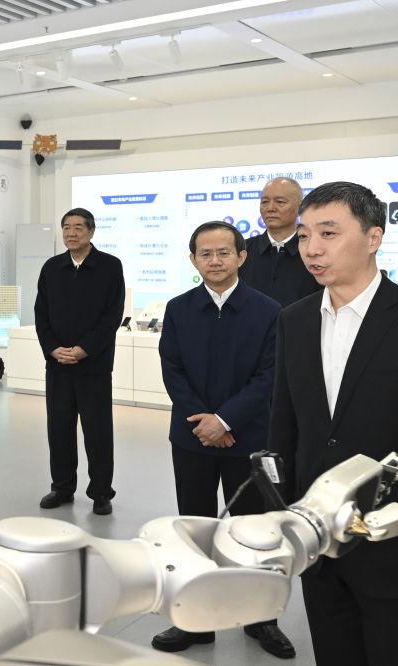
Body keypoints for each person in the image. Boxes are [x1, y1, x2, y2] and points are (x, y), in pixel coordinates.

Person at [269, 181, 397, 666]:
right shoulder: (294, 319)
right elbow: (285, 424)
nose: (312, 249)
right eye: (304, 236)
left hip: (388, 535)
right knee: (333, 647)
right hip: (317, 533)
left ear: (373, 237)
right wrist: (286, 511)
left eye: (328, 233)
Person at [152, 221, 293, 657]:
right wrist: (205, 422)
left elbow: (269, 375)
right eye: (205, 253)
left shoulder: (269, 310)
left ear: (241, 256)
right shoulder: (179, 308)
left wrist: (226, 420)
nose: (214, 261)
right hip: (191, 437)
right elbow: (172, 369)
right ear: (193, 259)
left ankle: (260, 619)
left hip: (248, 439)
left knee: (254, 533)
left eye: (223, 252)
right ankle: (196, 621)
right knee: (194, 530)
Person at [34, 207, 124, 516]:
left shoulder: (110, 266)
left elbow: (112, 316)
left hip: (94, 365)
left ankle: (101, 492)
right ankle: (62, 488)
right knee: (59, 429)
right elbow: (41, 314)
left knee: (98, 432)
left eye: (78, 227)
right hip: (58, 365)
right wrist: (52, 348)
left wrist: (85, 349)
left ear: (91, 231)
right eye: (66, 228)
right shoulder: (52, 267)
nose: (71, 233)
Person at [240, 178, 320, 307]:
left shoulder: (316, 250)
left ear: (300, 207)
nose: (270, 208)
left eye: (280, 202)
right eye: (265, 202)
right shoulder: (241, 251)